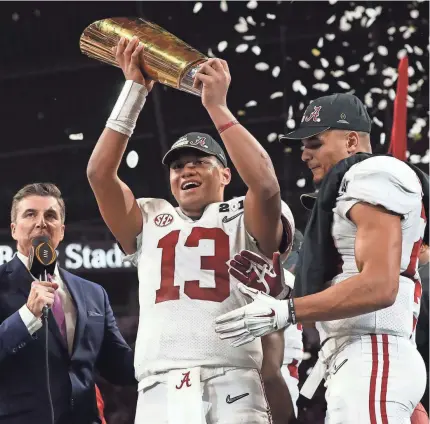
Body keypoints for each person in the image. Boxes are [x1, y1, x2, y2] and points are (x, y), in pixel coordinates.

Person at [87, 36, 296, 423]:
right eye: (177, 165)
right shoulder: (149, 218)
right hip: (159, 384)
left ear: (225, 173)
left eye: (199, 161)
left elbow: (266, 185)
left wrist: (217, 107)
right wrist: (134, 90)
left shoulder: (244, 213)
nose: (186, 170)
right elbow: (100, 175)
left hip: (234, 380)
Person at [215, 93, 428, 423]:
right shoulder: (353, 184)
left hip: (374, 355)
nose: (304, 154)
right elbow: (353, 280)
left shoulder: (372, 173)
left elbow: (379, 287)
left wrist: (285, 310)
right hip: (360, 360)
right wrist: (286, 294)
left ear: (352, 140)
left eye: (314, 143)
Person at [0, 183, 136, 424]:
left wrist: (161, 352)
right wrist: (27, 316)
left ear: (61, 231)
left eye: (50, 215)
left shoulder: (94, 293)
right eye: (30, 214)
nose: (41, 222)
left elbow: (116, 364)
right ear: (13, 229)